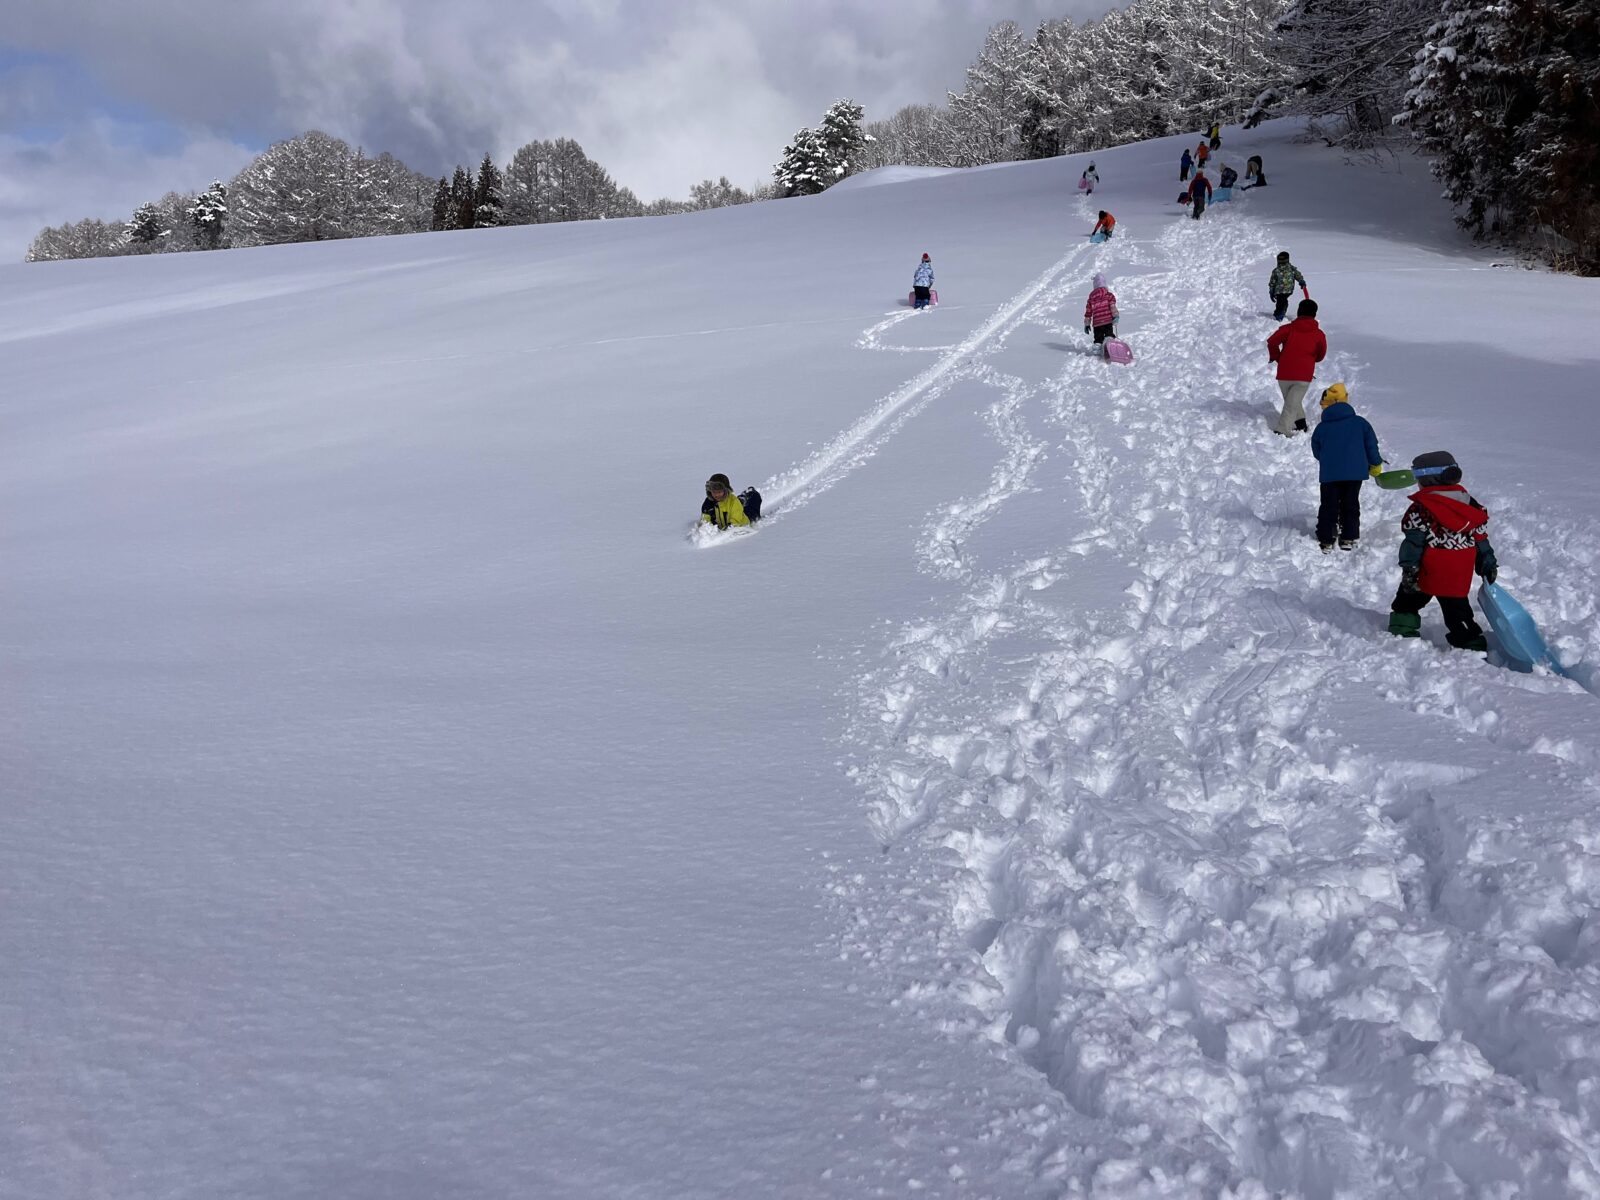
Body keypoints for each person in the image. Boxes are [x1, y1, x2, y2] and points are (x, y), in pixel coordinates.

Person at [1387, 451, 1496, 651]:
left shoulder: (1420, 509)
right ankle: (1471, 643)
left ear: (1427, 480)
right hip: (1458, 571)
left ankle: (1402, 633)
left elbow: (1413, 543)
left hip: (1428, 570)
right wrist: (1487, 561)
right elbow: (1480, 537)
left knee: (1407, 601)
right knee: (1458, 610)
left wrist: (1409, 568)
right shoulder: (1471, 505)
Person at [1309, 383, 1382, 551]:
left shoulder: (1322, 427)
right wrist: (1375, 463)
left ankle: (1326, 538)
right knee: (1350, 503)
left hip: (1330, 474)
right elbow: (1371, 445)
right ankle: (1348, 537)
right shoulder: (1361, 423)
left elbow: (1316, 449)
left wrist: (1328, 460)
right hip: (1354, 473)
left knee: (1328, 504)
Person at [1266, 298, 1326, 436]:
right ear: (1314, 315)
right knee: (1292, 402)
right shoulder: (1319, 334)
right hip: (1304, 375)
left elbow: (1272, 341)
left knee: (1291, 401)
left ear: (1299, 312)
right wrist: (1310, 360)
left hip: (1284, 373)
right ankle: (1282, 430)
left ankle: (1301, 424)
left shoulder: (1288, 329)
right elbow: (1321, 355)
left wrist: (1277, 357)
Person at [1083, 272, 1119, 354]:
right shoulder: (1109, 295)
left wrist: (1087, 324)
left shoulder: (1091, 298)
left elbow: (1088, 313)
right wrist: (1116, 316)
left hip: (1097, 324)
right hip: (1107, 321)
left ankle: (1097, 349)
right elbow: (1112, 307)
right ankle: (1110, 347)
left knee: (1098, 338)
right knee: (1109, 335)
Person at [1268, 251, 1308, 321]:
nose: (1282, 263)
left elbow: (1298, 275)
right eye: (1280, 260)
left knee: (1281, 302)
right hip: (1280, 291)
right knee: (1281, 301)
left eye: (1283, 260)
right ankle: (1279, 312)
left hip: (1286, 290)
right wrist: (1271, 291)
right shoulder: (1276, 271)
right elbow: (1272, 281)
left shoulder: (1291, 269)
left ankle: (1279, 314)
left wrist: (1301, 281)